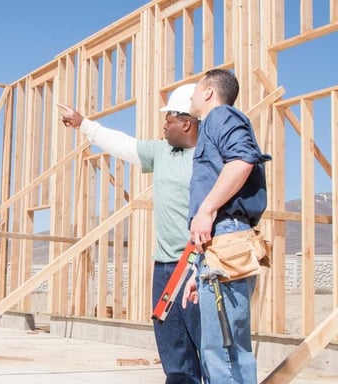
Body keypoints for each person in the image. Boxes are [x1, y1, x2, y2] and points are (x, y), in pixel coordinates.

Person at [59, 84, 205, 384]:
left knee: (208, 343)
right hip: (166, 266)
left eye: (169, 120)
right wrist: (84, 123)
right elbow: (124, 144)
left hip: (198, 266)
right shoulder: (162, 152)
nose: (164, 126)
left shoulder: (209, 159)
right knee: (173, 348)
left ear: (186, 122)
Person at [182, 69, 271, 384]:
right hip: (218, 247)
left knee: (222, 350)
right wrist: (198, 269)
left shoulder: (220, 116)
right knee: (227, 345)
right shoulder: (213, 125)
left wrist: (206, 208)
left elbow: (242, 160)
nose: (191, 97)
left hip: (226, 238)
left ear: (207, 92)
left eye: (194, 90)